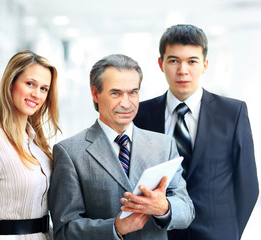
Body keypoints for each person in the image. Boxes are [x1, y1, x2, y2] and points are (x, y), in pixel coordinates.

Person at [48, 54, 194, 240]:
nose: (126, 104)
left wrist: (164, 208)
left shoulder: (164, 145)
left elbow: (186, 210)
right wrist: (116, 228)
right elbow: (65, 230)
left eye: (133, 92)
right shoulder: (70, 152)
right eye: (116, 93)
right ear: (95, 93)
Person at [133, 24, 259, 240]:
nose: (183, 70)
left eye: (192, 61)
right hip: (160, 233)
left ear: (205, 65)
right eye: (174, 61)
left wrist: (232, 233)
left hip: (218, 234)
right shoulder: (141, 114)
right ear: (160, 64)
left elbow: (247, 185)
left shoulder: (233, 112)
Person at [0, 50, 61, 240]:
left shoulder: (38, 144)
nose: (36, 94)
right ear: (11, 83)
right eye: (30, 84)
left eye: (44, 89)